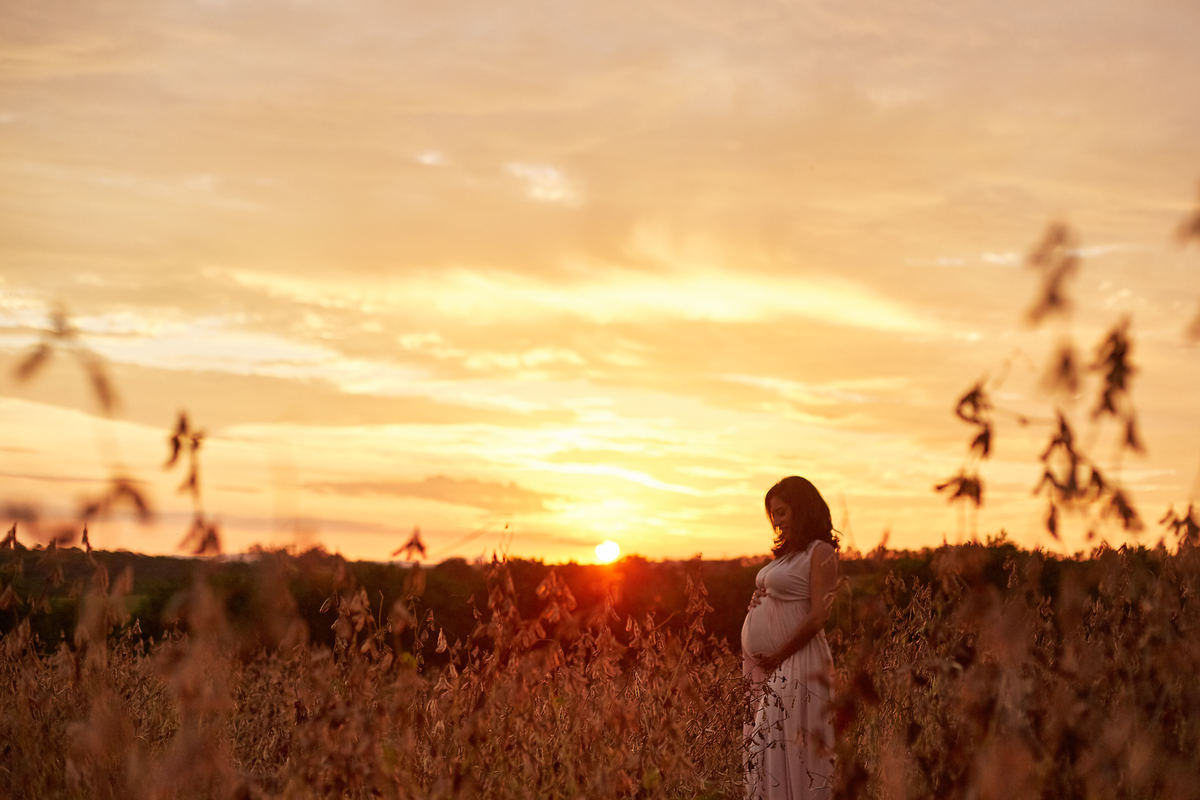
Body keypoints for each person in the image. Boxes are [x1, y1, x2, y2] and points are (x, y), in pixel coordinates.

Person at [741, 476, 838, 800]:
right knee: (767, 743)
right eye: (773, 515)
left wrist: (780, 654)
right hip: (775, 664)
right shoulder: (786, 556)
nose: (777, 521)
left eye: (781, 512)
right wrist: (757, 602)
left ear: (802, 508)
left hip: (800, 661)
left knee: (793, 744)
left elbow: (818, 616)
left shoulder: (820, 551)